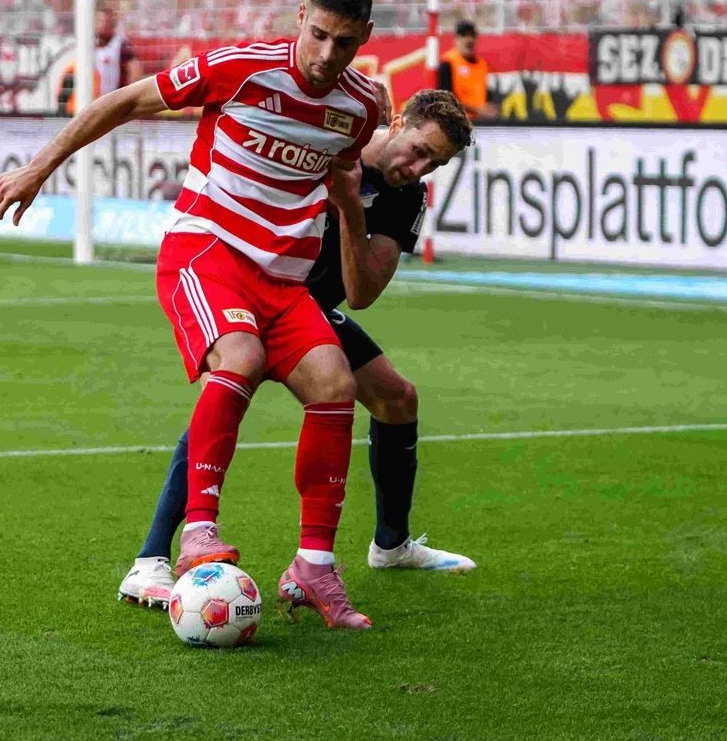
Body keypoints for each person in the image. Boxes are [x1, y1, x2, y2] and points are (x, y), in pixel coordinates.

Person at [0, 0, 388, 630]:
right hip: (206, 251)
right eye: (317, 35)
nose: (325, 55)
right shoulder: (239, 67)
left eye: (342, 43)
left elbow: (341, 171)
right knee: (239, 353)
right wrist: (39, 167)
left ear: (363, 40)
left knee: (335, 383)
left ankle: (314, 565)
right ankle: (198, 530)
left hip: (283, 281)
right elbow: (122, 102)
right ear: (299, 17)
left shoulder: (360, 110)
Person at [119, 90, 477, 612]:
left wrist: (352, 209)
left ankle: (392, 546)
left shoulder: (407, 197)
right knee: (229, 391)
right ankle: (150, 560)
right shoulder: (331, 149)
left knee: (397, 398)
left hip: (310, 311)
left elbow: (362, 294)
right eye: (418, 149)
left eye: (434, 163)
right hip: (251, 289)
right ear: (399, 122)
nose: (417, 167)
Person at [438, 20, 497, 120]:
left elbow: (486, 95)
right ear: (456, 39)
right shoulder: (448, 63)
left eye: (472, 36)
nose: (469, 39)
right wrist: (476, 109)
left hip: (481, 123)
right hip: (456, 122)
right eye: (464, 35)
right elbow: (445, 100)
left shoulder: (482, 65)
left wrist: (489, 108)